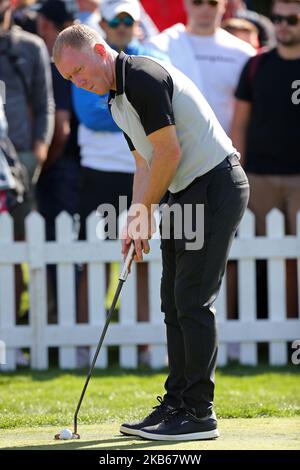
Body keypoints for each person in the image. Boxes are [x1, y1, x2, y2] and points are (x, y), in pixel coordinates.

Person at [53, 23, 249, 441]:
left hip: (215, 183)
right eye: (70, 80)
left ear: (100, 51)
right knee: (172, 302)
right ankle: (176, 403)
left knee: (193, 300)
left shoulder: (142, 76)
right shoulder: (116, 102)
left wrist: (144, 211)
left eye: (79, 71)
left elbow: (169, 151)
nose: (79, 83)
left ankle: (198, 412)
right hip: (183, 188)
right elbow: (145, 164)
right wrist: (133, 219)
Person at [231, 0, 300, 317]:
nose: (283, 25)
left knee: (293, 260)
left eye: (292, 19)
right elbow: (240, 122)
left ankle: (290, 335)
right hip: (258, 177)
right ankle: (248, 330)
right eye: (277, 19)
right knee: (251, 256)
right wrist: (237, 173)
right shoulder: (256, 65)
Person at [148, 0, 255, 135]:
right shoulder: (160, 46)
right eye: (197, 2)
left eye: (212, 3)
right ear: (185, 4)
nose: (205, 8)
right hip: (177, 146)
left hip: (228, 148)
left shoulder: (243, 53)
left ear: (224, 5)